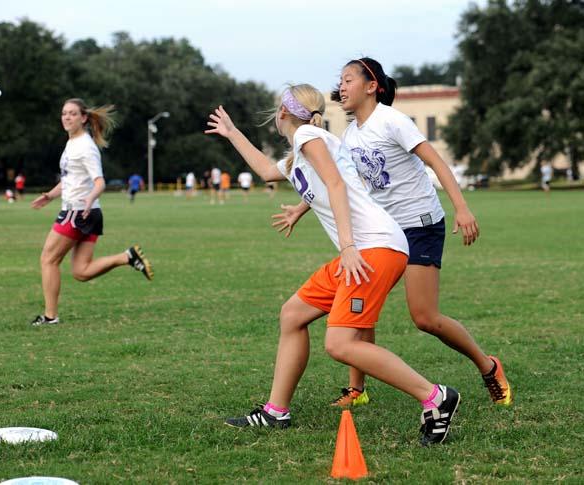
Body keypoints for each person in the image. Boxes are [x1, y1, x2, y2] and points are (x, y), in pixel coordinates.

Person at [206, 84, 461, 446]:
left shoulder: (310, 134)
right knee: (293, 314)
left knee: (339, 343)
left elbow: (336, 185)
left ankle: (436, 398)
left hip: (373, 248)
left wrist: (348, 246)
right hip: (364, 249)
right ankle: (276, 411)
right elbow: (266, 171)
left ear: (283, 113)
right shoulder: (300, 150)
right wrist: (232, 134)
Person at [276, 58, 512, 408]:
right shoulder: (350, 135)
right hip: (381, 233)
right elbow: (341, 184)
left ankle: (488, 366)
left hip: (420, 225)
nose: (341, 86)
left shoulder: (392, 120)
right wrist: (301, 207)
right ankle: (358, 389)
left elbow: (436, 161)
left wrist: (461, 207)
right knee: (360, 304)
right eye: (340, 81)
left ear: (372, 86)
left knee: (425, 318)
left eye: (349, 79)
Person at [30, 98, 153, 326]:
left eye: (72, 113)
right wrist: (49, 195)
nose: (66, 117)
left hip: (78, 212)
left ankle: (50, 317)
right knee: (81, 272)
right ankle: (127, 256)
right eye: (64, 113)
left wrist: (88, 199)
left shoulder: (85, 147)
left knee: (48, 260)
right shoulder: (72, 143)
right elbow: (70, 180)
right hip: (88, 212)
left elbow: (99, 182)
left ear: (84, 118)